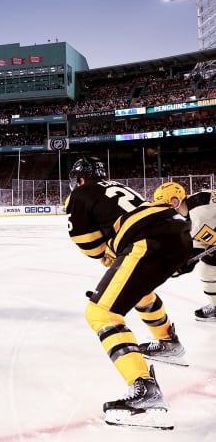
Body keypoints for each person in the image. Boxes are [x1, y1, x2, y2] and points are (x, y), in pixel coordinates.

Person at [66, 156, 192, 429]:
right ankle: (167, 340)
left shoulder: (80, 193)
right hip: (178, 232)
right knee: (139, 291)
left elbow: (90, 246)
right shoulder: (119, 186)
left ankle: (143, 388)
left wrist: (107, 254)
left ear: (79, 179)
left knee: (100, 312)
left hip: (147, 239)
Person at [153, 181, 216, 321]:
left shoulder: (199, 210)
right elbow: (200, 240)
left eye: (163, 206)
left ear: (175, 201)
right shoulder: (190, 214)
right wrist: (185, 261)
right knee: (206, 268)